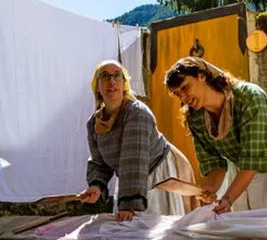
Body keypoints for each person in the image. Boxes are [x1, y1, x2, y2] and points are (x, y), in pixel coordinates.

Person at [163, 57, 267, 213]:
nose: (183, 98)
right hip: (241, 171)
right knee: (249, 223)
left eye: (185, 88)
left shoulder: (250, 97)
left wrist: (229, 198)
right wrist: (212, 187)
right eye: (177, 94)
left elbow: (253, 158)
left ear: (201, 76)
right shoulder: (195, 118)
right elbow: (212, 161)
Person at [78, 60, 195, 221]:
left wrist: (129, 205)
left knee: (153, 225)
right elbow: (99, 162)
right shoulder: (94, 123)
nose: (112, 81)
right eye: (105, 76)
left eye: (117, 76)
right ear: (97, 87)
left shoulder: (136, 114)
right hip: (130, 176)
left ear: (124, 84)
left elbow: (134, 159)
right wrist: (96, 186)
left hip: (157, 171)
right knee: (127, 225)